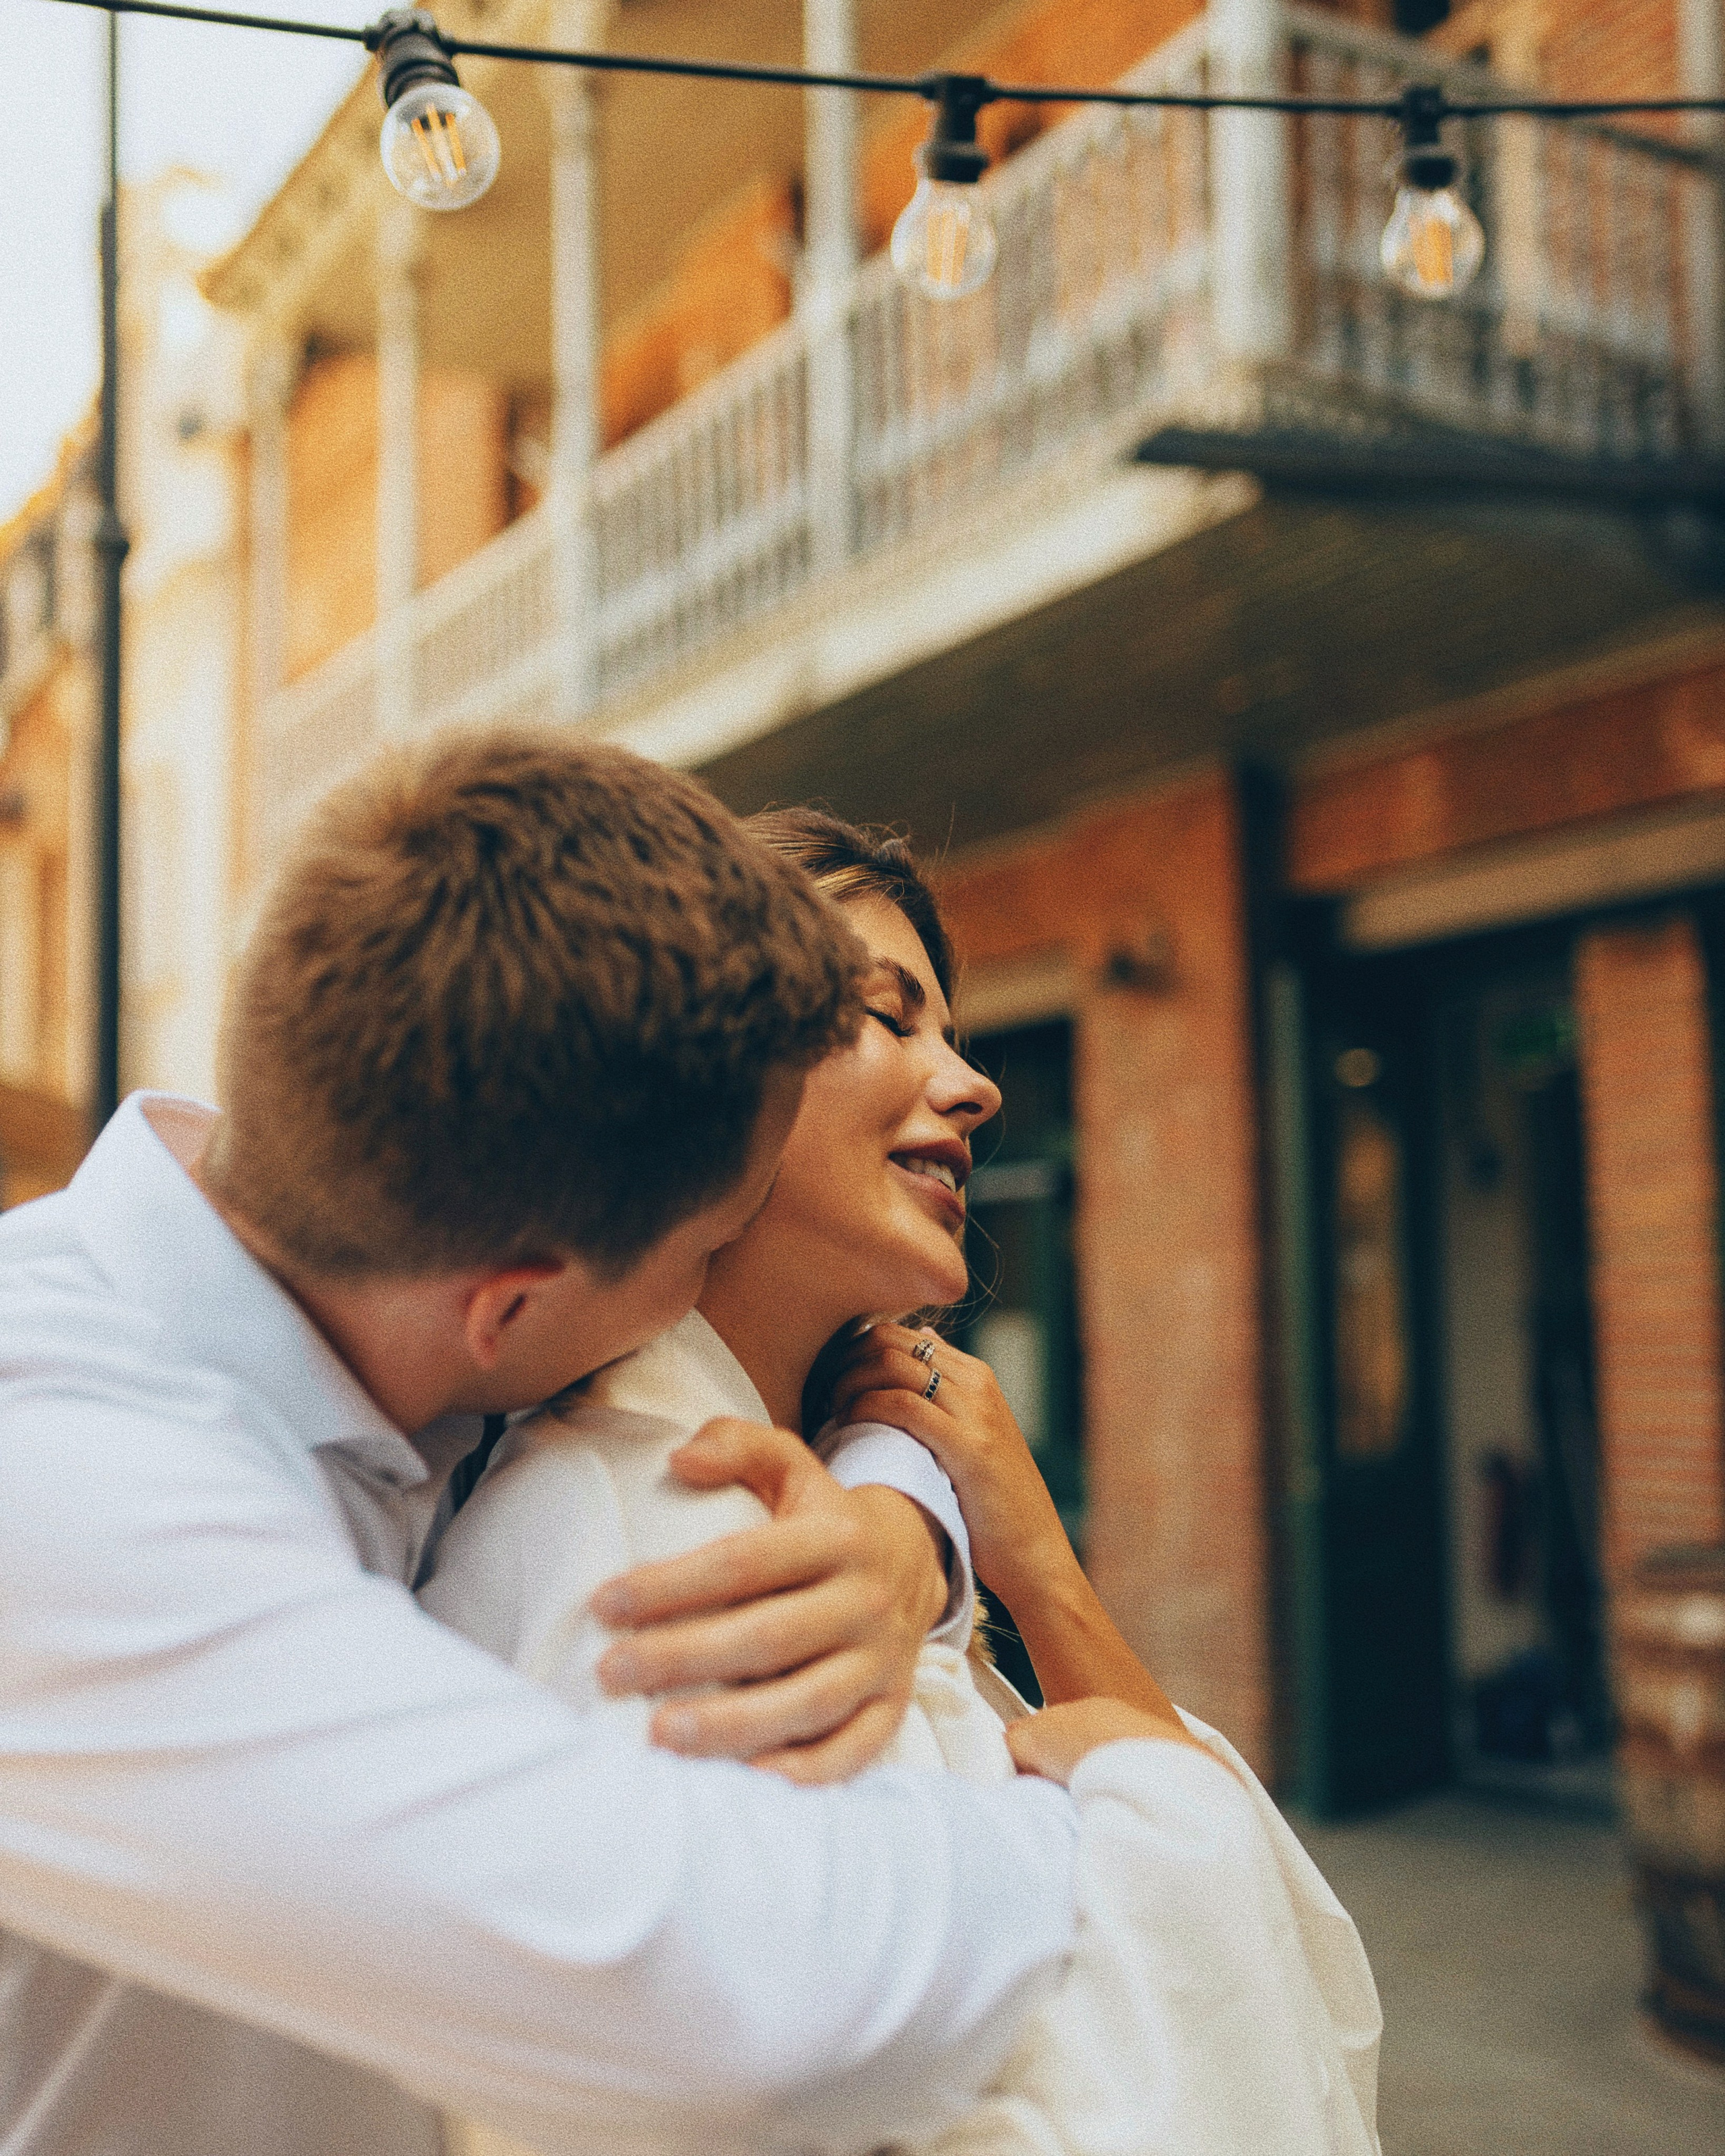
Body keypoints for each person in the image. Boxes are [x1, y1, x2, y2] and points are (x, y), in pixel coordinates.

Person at [0, 736, 1081, 2156]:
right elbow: (752, 2007)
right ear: (508, 1298)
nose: (689, 1308)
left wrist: (897, 1512)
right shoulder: (66, 1498)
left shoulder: (357, 1285)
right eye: (705, 1248)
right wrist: (1103, 1817)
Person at [422, 809, 1384, 2156]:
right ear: (703, 1083)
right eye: (885, 1015)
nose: (971, 1083)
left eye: (954, 1033)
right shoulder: (624, 1544)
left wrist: (1029, 1559)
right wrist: (1169, 1839)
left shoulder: (858, 1491)